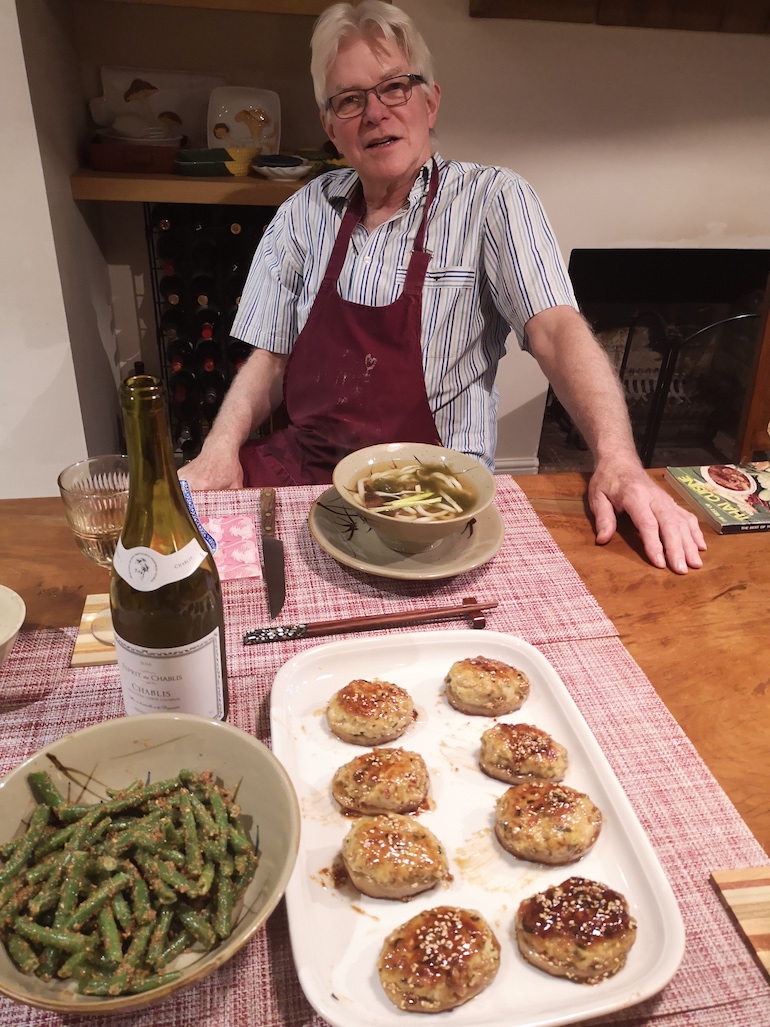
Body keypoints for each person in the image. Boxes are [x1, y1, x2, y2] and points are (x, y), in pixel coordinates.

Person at [181, 0, 706, 574]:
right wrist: (218, 451)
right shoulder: (303, 212)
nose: (375, 113)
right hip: (312, 484)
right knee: (181, 578)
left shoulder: (493, 200)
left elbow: (556, 329)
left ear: (431, 101)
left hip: (437, 505)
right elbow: (270, 358)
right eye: (350, 99)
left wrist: (619, 460)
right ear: (332, 128)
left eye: (395, 87)